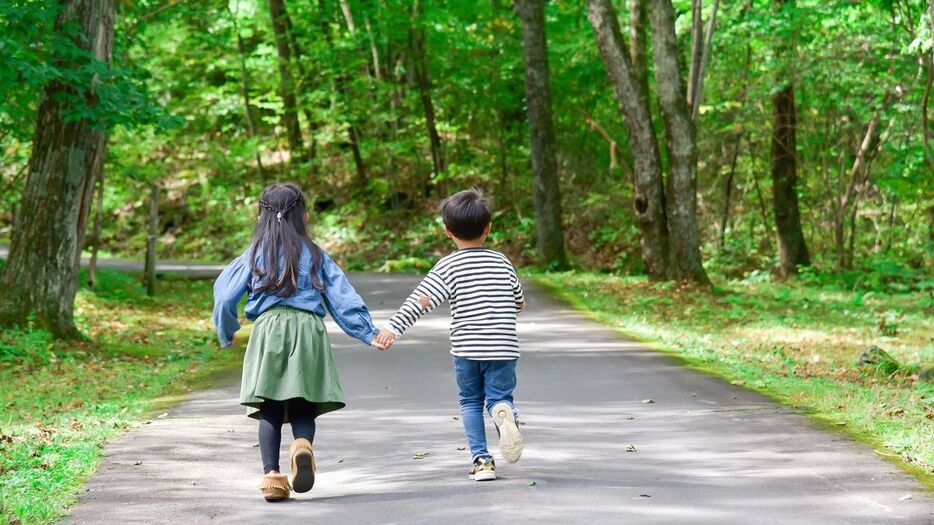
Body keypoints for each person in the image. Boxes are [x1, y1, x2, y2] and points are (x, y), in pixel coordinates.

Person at [213, 182, 386, 501]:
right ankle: (302, 445)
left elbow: (224, 297)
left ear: (261, 216)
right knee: (303, 399)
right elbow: (342, 297)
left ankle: (272, 477)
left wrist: (227, 331)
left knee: (269, 406)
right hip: (309, 331)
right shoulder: (316, 254)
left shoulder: (252, 254)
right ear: (303, 217)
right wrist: (367, 332)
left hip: (268, 330)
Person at [375, 188, 526, 482]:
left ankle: (482, 461)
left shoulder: (449, 266)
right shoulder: (502, 261)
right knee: (498, 397)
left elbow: (422, 300)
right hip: (503, 348)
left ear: (447, 232)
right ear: (488, 229)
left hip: (467, 350)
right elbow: (518, 300)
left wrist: (393, 328)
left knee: (470, 401)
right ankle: (504, 410)